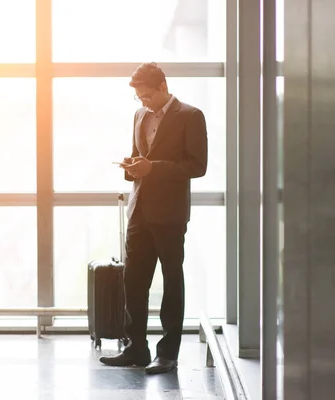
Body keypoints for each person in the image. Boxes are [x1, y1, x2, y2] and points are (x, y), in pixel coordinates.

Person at [99, 62, 208, 374]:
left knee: (172, 281)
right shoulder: (139, 115)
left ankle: (168, 354)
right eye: (139, 97)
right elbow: (140, 155)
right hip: (140, 210)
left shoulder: (190, 115)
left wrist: (153, 167)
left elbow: (196, 166)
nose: (143, 101)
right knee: (133, 280)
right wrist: (132, 165)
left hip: (170, 214)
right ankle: (136, 348)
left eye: (146, 95)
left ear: (163, 87)